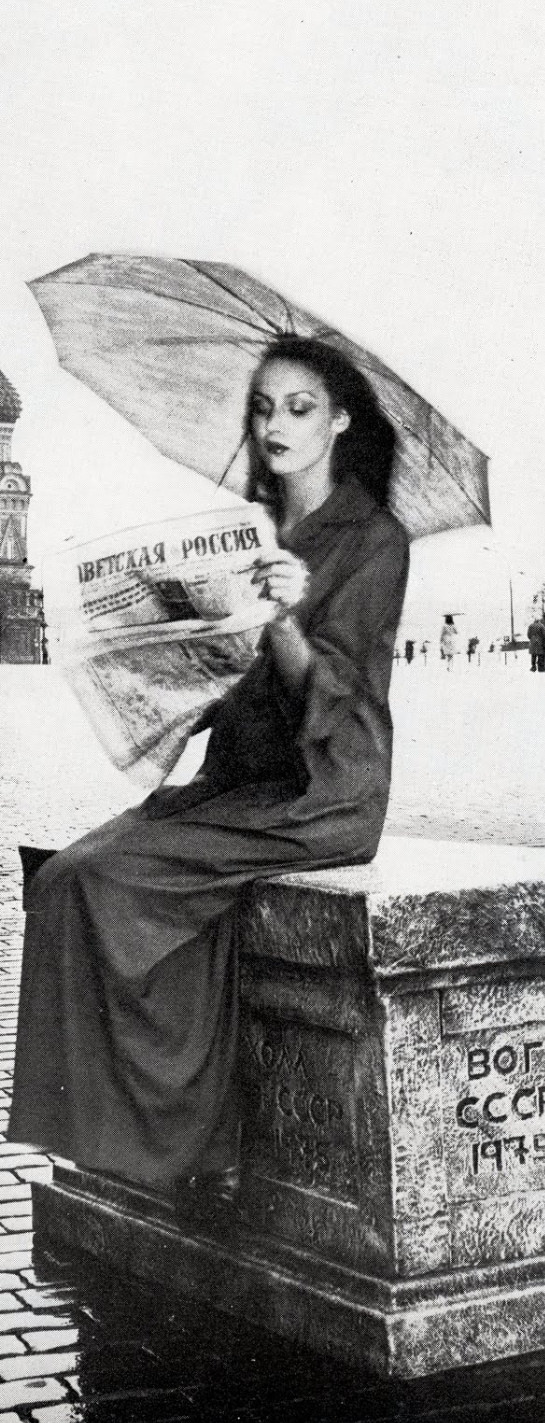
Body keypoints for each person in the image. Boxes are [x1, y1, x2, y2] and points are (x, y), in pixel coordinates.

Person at [8, 335, 409, 1216]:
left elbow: (337, 694)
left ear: (339, 420)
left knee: (101, 879)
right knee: (61, 874)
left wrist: (282, 617)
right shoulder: (254, 529)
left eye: (299, 408)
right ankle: (136, 1133)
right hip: (243, 780)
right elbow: (231, 688)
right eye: (263, 407)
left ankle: (188, 1141)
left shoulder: (374, 539)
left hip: (323, 792)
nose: (276, 424)